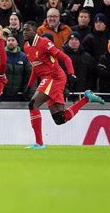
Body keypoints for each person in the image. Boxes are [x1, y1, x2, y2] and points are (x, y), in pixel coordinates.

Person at [22, 21, 105, 149]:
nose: (24, 32)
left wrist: (71, 73)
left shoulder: (44, 43)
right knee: (60, 119)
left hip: (55, 77)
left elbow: (66, 58)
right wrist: (29, 85)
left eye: (27, 30)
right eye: (23, 30)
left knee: (33, 104)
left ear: (35, 31)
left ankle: (39, 143)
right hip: (47, 78)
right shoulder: (27, 46)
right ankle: (87, 98)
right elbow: (35, 67)